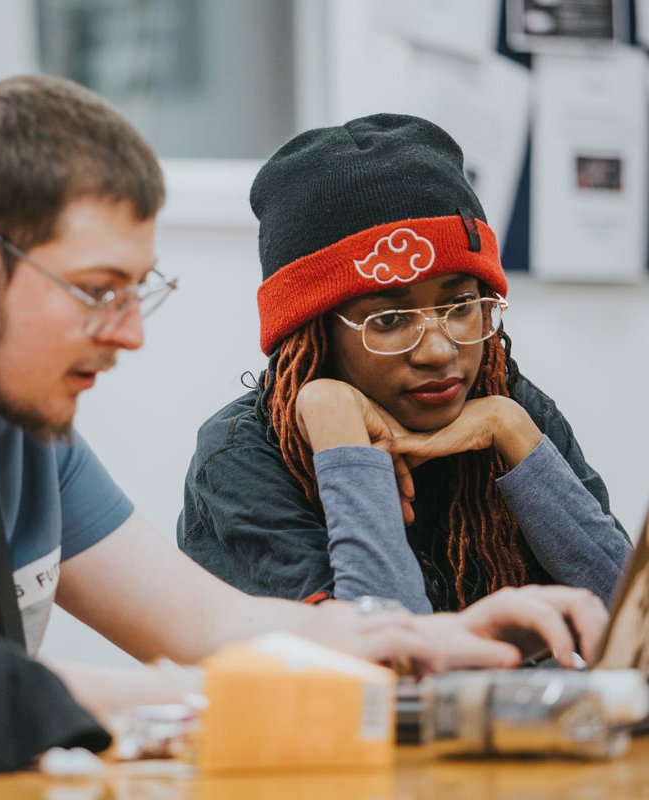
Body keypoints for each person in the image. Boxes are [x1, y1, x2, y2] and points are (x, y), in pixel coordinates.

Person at [0, 79, 609, 751]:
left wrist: (428, 640)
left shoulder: (17, 431)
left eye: (139, 291)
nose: (130, 331)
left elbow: (214, 622)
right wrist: (189, 706)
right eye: (99, 290)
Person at [178, 114, 631, 614]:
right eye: (390, 319)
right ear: (314, 333)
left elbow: (633, 628)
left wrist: (512, 429)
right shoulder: (242, 457)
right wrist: (345, 442)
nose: (438, 351)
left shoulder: (508, 408)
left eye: (459, 307)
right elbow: (382, 663)